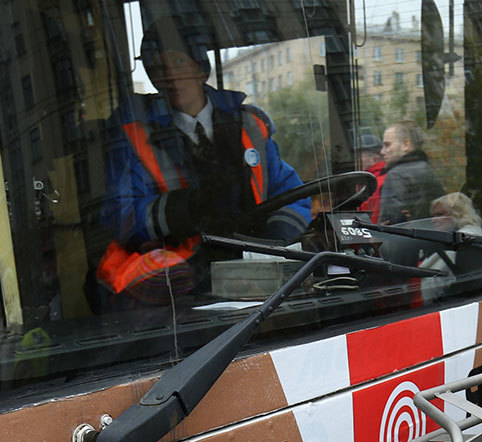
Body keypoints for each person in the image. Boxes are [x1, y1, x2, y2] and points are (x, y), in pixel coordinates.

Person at [97, 19, 309, 298]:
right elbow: (119, 214)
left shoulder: (250, 127)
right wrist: (185, 208)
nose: (170, 75)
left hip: (260, 280)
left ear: (200, 69)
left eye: (178, 62)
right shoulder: (132, 138)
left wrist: (276, 242)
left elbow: (292, 193)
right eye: (159, 68)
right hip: (183, 288)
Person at [378, 121, 444, 225]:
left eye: (387, 145)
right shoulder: (429, 170)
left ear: (406, 145)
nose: (382, 151)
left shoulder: (396, 175)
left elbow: (389, 224)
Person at [356, 132, 386, 222]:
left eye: (360, 156)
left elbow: (372, 219)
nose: (357, 160)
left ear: (374, 159)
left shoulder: (376, 183)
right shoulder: (369, 180)